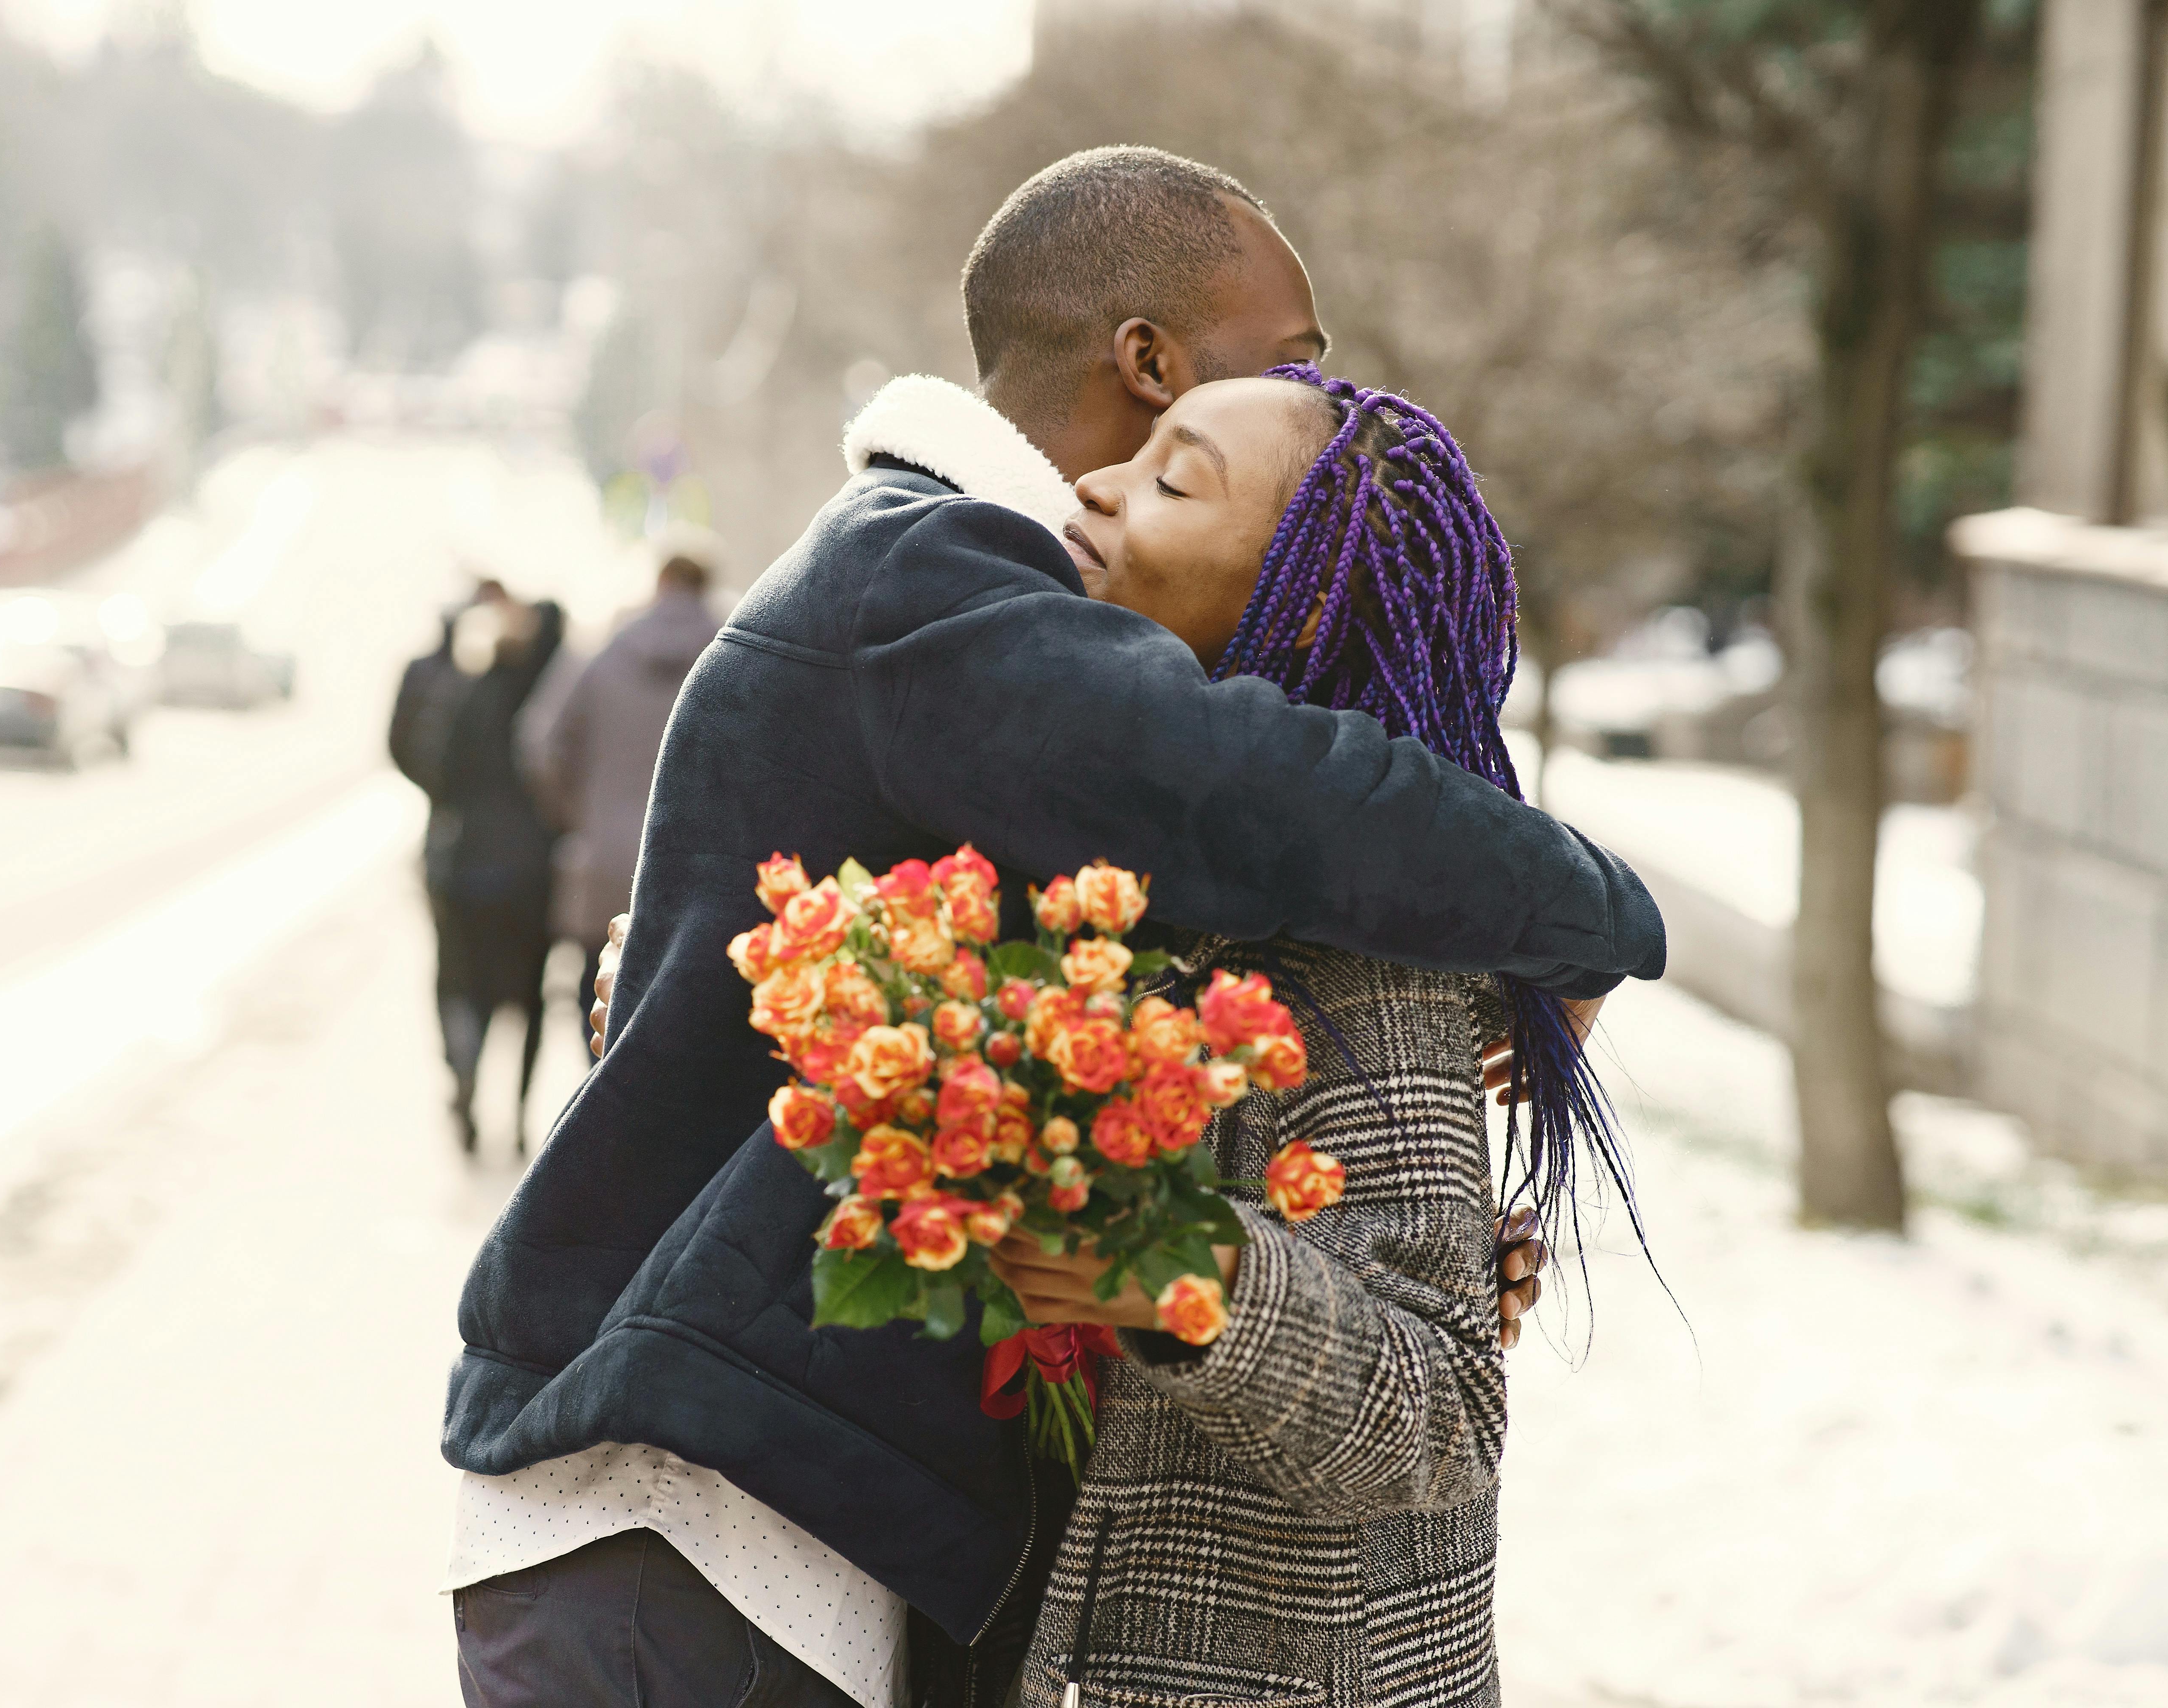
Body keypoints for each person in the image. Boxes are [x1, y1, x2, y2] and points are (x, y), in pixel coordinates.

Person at [444, 148, 1661, 1708]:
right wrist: (1593, 915)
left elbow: (1391, 1352)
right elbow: (1279, 793)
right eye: (1293, 358)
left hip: (764, 1526)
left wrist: (1340, 1246)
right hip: (688, 1505)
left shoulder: (974, 633)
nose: (1324, 384)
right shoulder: (936, 577)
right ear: (1147, 360)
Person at [985, 368, 1626, 1705]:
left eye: (1172, 477)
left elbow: (1441, 1409)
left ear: (1306, 600)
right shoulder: (1132, 872)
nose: (1095, 485)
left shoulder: (1359, 965)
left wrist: (1173, 1265)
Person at [389, 580, 565, 1156]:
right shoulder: (546, 695)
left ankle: (465, 1075)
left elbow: (429, 762)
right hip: (532, 868)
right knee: (530, 995)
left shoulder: (468, 694)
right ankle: (517, 1120)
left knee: (464, 986)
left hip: (462, 864)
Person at [519, 547, 724, 1015]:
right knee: (680, 1003)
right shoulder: (735, 652)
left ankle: (597, 1083)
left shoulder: (605, 651)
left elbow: (542, 744)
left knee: (596, 987)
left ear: (660, 582)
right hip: (695, 867)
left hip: (605, 855)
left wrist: (577, 815)